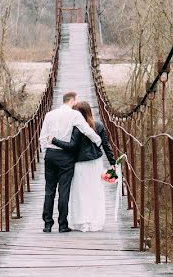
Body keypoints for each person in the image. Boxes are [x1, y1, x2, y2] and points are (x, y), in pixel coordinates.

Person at [38, 91, 101, 233]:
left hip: (50, 154)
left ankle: (47, 225)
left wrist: (46, 154)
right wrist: (98, 141)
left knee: (49, 190)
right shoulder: (75, 115)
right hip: (66, 156)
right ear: (72, 101)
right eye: (76, 101)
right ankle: (62, 225)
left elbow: (42, 137)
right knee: (63, 190)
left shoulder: (49, 115)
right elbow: (86, 130)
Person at [52, 101, 116, 232]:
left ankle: (82, 221)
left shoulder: (76, 127)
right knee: (95, 191)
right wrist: (112, 162)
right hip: (96, 163)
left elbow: (71, 147)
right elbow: (105, 145)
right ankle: (94, 221)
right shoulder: (98, 125)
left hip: (79, 164)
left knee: (80, 193)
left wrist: (54, 141)